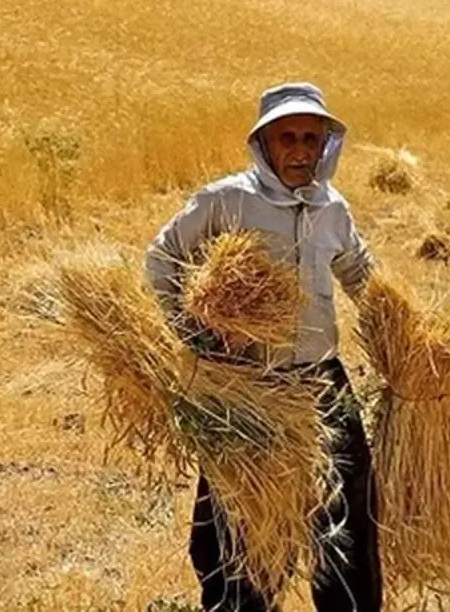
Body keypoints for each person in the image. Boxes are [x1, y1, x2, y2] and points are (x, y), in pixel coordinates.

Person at [145, 82, 382, 612]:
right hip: (246, 386)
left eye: (311, 138)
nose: (300, 150)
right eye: (287, 138)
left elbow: (361, 274)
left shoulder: (332, 208)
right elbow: (162, 260)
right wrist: (195, 336)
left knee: (347, 514)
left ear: (326, 145)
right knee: (238, 522)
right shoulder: (226, 201)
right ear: (265, 145)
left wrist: (399, 332)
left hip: (321, 382)